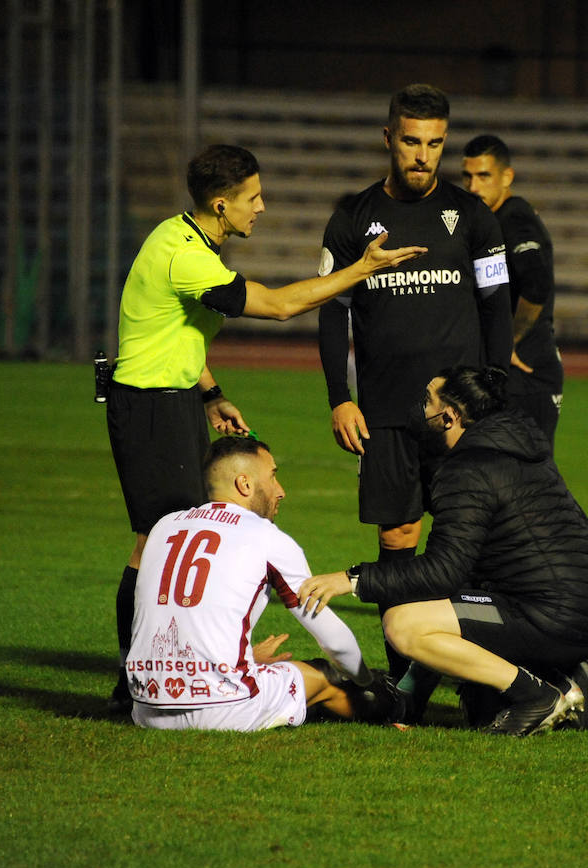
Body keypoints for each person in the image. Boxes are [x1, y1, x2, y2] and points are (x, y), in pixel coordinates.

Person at [107, 143, 424, 712]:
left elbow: (172, 329)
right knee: (157, 544)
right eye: (253, 198)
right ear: (222, 205)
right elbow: (278, 307)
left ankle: (166, 668)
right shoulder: (187, 255)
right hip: (149, 407)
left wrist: (211, 394)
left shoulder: (191, 242)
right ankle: (131, 682)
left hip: (172, 399)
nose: (263, 206)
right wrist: (360, 269)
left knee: (165, 540)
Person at [297, 366, 588, 736]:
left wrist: (352, 579)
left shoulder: (468, 467)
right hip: (582, 610)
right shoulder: (519, 449)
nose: (420, 409)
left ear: (449, 417)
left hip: (551, 613)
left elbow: (440, 572)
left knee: (404, 623)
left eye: (427, 401)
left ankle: (537, 695)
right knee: (442, 621)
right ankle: (569, 681)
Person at [316, 85, 513, 678]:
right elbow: (332, 309)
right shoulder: (351, 218)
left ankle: (475, 675)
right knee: (399, 538)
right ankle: (403, 679)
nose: (422, 155)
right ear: (388, 140)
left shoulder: (472, 216)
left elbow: (497, 303)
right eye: (410, 142)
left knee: (472, 543)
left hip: (459, 420)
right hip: (386, 413)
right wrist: (339, 398)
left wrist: (493, 391)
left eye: (433, 143)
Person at [127, 435, 403, 730]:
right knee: (326, 676)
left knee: (266, 671)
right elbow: (334, 640)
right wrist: (366, 682)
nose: (280, 491)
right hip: (224, 710)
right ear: (244, 484)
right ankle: (382, 714)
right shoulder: (265, 536)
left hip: (146, 707)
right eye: (273, 476)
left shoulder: (164, 526)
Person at [459, 134, 563, 445]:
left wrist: (509, 340)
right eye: (467, 176)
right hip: (512, 372)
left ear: (507, 177)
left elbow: (537, 281)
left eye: (483, 176)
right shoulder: (490, 221)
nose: (473, 187)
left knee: (526, 483)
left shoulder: (514, 219)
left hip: (526, 372)